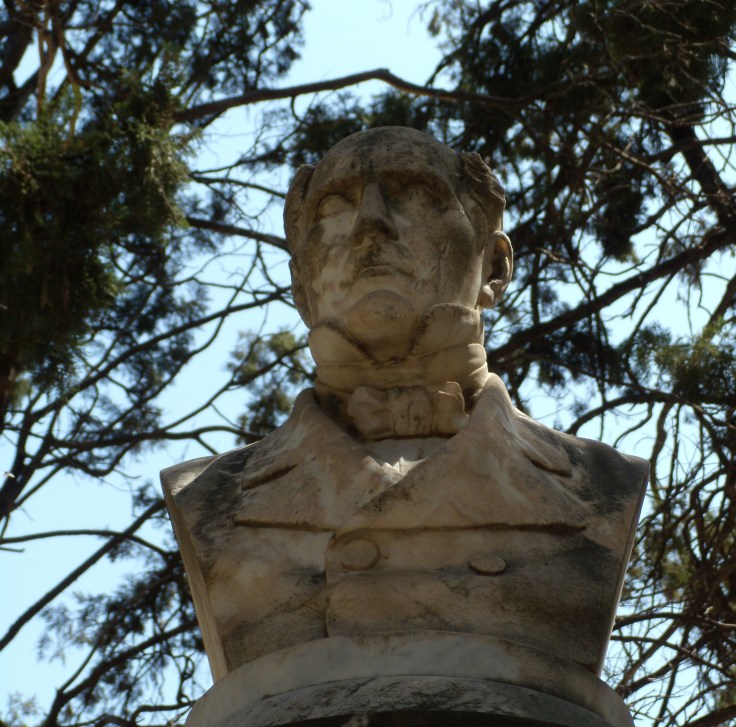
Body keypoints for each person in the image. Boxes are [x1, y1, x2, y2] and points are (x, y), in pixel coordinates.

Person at [161, 127, 647, 683]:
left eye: (416, 193)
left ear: (493, 265)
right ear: (299, 284)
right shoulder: (208, 498)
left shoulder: (601, 487)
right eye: (335, 206)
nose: (371, 223)